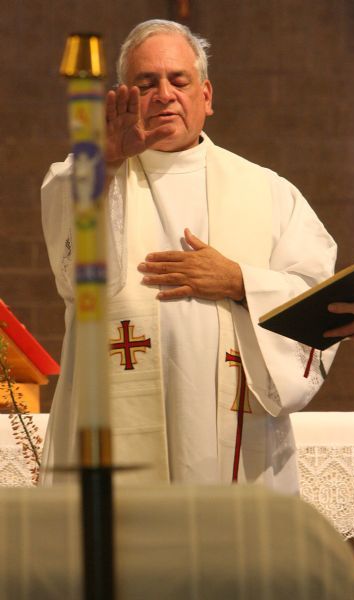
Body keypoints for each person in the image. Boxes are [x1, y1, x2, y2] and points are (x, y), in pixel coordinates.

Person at [40, 19, 338, 492]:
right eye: (146, 83)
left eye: (178, 80)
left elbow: (316, 295)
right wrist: (106, 158)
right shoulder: (88, 172)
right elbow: (72, 273)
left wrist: (241, 281)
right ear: (125, 96)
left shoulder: (268, 192)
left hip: (236, 439)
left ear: (206, 95)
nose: (163, 94)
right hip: (117, 431)